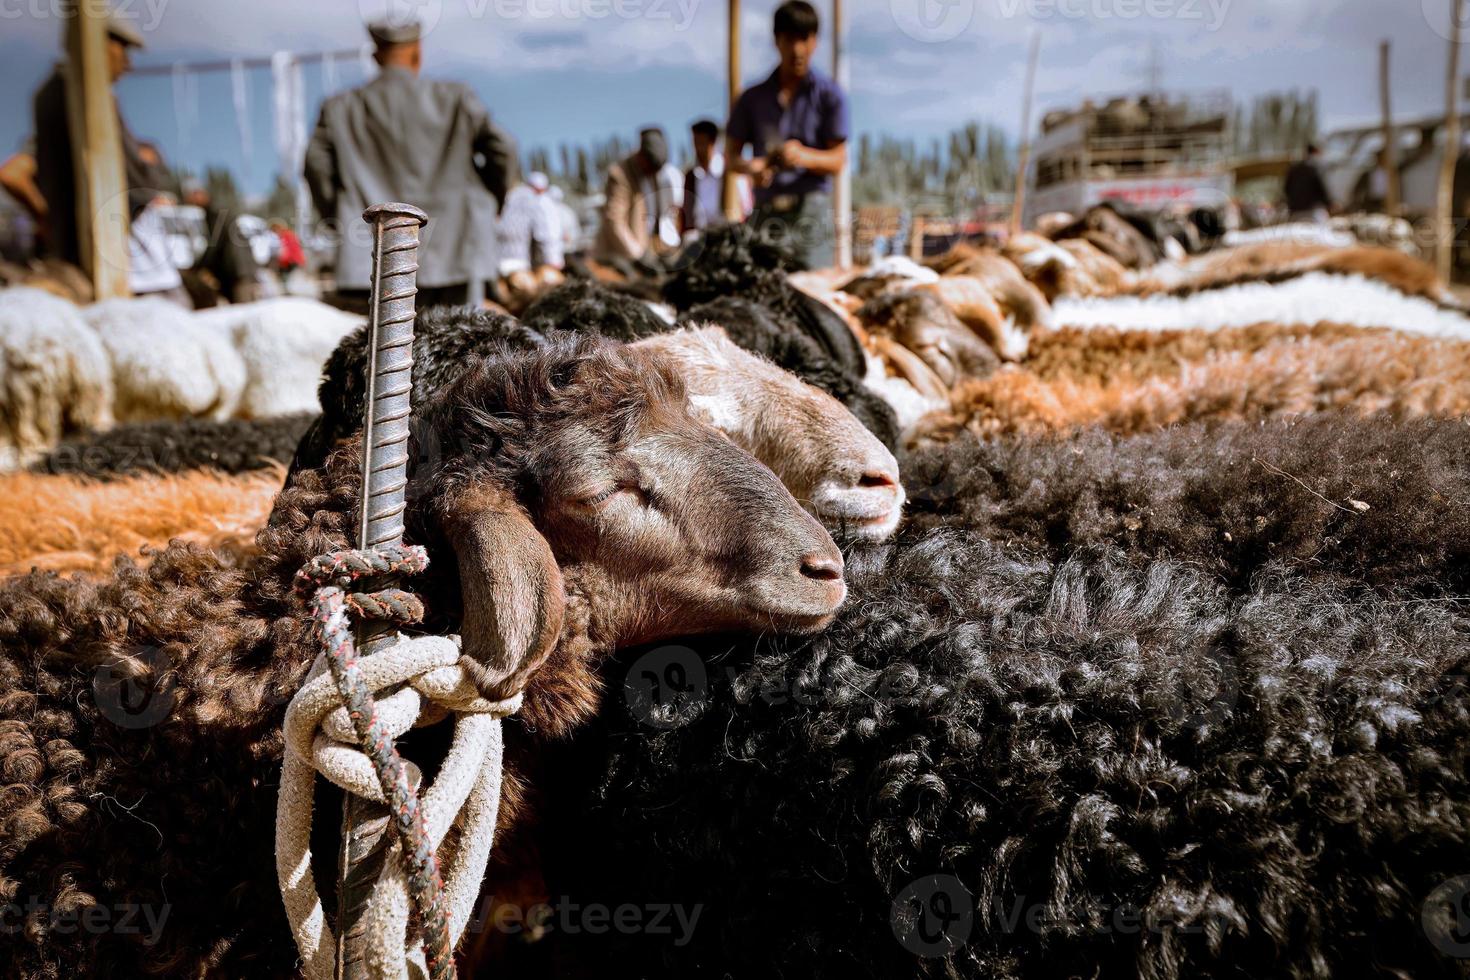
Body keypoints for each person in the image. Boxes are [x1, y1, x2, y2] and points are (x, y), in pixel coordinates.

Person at [305, 19, 516, 310]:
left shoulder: (340, 107)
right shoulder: (455, 98)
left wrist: (343, 215)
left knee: (378, 349)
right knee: (458, 345)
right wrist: (494, 202)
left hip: (371, 257)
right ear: (417, 54)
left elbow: (315, 165)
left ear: (376, 56)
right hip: (455, 254)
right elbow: (503, 149)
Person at [15, 13, 188, 304]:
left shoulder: (52, 93)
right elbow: (139, 184)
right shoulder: (85, 93)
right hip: (129, 271)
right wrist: (151, 170)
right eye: (124, 50)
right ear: (101, 43)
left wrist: (46, 217)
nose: (128, 64)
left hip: (92, 260)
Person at [726, 0, 848, 267]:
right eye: (789, 39)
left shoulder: (829, 95)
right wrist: (752, 167)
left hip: (811, 217)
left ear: (815, 40)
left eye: (804, 39)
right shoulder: (751, 99)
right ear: (776, 41)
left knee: (812, 294)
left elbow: (838, 160)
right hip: (765, 214)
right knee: (760, 293)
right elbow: (731, 158)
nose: (797, 49)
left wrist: (804, 156)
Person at [593, 127, 684, 275]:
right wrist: (639, 256)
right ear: (641, 157)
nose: (653, 173)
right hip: (619, 260)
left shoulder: (656, 172)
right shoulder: (620, 174)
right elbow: (614, 221)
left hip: (649, 251)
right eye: (650, 168)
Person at [185, 181, 262, 303]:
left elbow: (215, 244)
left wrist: (199, 266)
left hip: (238, 269)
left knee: (243, 308)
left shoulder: (216, 213)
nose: (190, 202)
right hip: (240, 269)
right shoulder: (215, 211)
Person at [681, 119, 749, 238]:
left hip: (727, 234)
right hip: (700, 238)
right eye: (695, 143)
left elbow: (745, 207)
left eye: (701, 143)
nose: (697, 148)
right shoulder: (691, 177)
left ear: (712, 143)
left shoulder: (729, 171)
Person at [497, 171, 564, 275]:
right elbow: (547, 234)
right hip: (521, 263)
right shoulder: (539, 200)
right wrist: (554, 260)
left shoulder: (510, 195)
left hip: (497, 260)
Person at [1283, 143, 1333, 224]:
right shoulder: (1315, 168)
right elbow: (1321, 190)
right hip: (1312, 212)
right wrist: (1330, 204)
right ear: (1315, 153)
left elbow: (1286, 189)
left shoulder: (1293, 169)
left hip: (1294, 212)